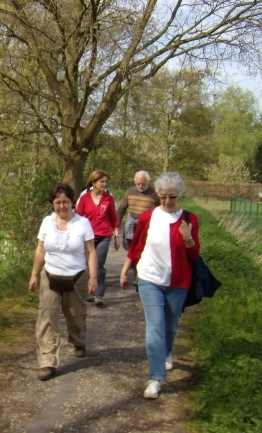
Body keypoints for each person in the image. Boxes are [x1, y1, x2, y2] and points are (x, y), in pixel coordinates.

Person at [119, 172, 200, 400]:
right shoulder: (148, 217)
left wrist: (187, 237)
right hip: (149, 279)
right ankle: (155, 378)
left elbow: (194, 253)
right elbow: (136, 247)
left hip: (178, 282)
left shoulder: (189, 219)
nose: (167, 201)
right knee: (154, 328)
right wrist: (126, 270)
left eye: (172, 197)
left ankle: (167, 353)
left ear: (179, 196)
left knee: (171, 326)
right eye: (163, 196)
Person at [29, 183, 98, 381]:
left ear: (72, 202)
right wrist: (34, 274)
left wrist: (93, 277)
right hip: (50, 275)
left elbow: (91, 251)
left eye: (65, 202)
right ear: (52, 204)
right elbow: (41, 250)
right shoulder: (46, 223)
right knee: (47, 318)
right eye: (57, 202)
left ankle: (78, 341)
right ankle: (47, 362)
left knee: (75, 316)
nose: (61, 206)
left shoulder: (83, 223)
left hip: (76, 277)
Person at [76, 170, 120, 307]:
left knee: (99, 263)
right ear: (93, 182)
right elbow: (78, 218)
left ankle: (99, 294)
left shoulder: (109, 199)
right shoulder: (84, 198)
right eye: (101, 181)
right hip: (88, 236)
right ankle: (90, 290)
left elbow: (113, 218)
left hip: (104, 234)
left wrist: (116, 235)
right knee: (87, 263)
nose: (104, 184)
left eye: (106, 181)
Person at [116, 170, 161, 251]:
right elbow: (122, 208)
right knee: (128, 228)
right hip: (132, 221)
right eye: (138, 183)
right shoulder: (130, 191)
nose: (140, 186)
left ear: (147, 182)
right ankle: (129, 252)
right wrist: (117, 223)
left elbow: (160, 210)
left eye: (143, 184)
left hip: (146, 224)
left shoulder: (154, 193)